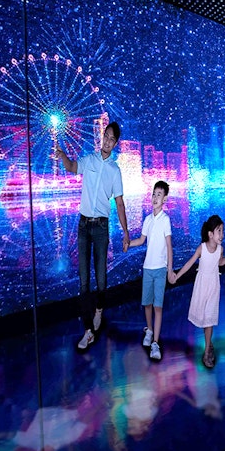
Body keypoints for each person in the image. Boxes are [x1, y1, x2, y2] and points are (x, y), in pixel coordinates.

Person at [54, 121, 130, 351]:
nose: (107, 141)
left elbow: (119, 202)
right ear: (101, 137)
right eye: (105, 136)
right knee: (83, 279)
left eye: (111, 139)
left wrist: (126, 232)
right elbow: (72, 167)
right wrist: (63, 156)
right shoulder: (89, 160)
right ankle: (88, 330)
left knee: (101, 279)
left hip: (101, 228)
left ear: (115, 144)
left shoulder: (115, 171)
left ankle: (99, 308)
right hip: (83, 225)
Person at [171, 215, 225, 369]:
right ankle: (209, 342)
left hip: (214, 285)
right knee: (203, 318)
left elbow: (219, 262)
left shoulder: (220, 249)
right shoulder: (202, 248)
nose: (222, 234)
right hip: (202, 286)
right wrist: (177, 276)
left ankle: (207, 351)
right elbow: (189, 263)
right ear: (210, 234)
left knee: (209, 318)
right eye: (219, 230)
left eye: (223, 231)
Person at [126, 180, 173, 361]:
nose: (155, 197)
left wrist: (169, 269)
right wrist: (128, 244)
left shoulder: (165, 219)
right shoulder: (147, 219)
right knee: (146, 304)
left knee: (158, 307)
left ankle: (155, 342)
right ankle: (149, 329)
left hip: (160, 268)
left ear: (165, 199)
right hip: (147, 268)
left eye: (159, 195)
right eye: (153, 194)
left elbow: (169, 246)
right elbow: (141, 240)